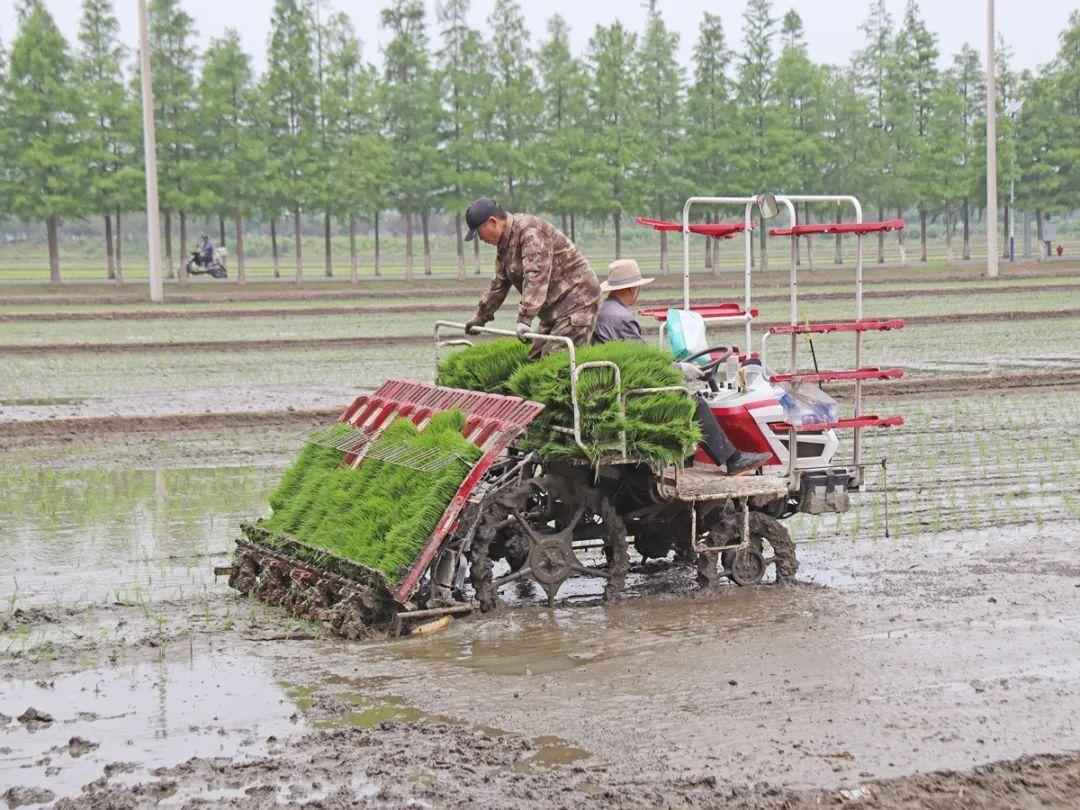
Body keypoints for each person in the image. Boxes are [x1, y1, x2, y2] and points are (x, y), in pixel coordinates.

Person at [593, 258, 771, 476]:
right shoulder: (621, 318)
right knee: (692, 402)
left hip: (612, 382)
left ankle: (689, 461)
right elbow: (643, 362)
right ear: (631, 288)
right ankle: (732, 460)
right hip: (627, 391)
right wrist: (679, 369)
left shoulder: (604, 311)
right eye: (637, 287)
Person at [463, 198, 601, 360]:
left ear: (493, 222)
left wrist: (525, 318)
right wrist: (481, 316)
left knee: (555, 362)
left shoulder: (531, 232)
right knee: (533, 360)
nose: (481, 239)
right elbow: (498, 285)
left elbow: (536, 276)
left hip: (577, 302)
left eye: (479, 232)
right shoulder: (504, 244)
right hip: (552, 309)